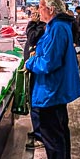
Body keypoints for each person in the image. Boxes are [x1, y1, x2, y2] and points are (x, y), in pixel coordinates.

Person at [25, 0, 80, 159]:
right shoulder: (57, 25)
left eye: (40, 7)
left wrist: (30, 62)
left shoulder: (58, 27)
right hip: (55, 88)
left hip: (51, 89)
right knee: (59, 130)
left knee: (51, 133)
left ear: (50, 9)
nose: (38, 11)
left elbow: (49, 62)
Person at [24, 10, 46, 150]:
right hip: (37, 69)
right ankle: (39, 132)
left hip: (39, 72)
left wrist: (32, 23)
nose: (36, 13)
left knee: (37, 104)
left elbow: (32, 38)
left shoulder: (44, 27)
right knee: (35, 103)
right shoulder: (45, 26)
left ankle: (41, 136)